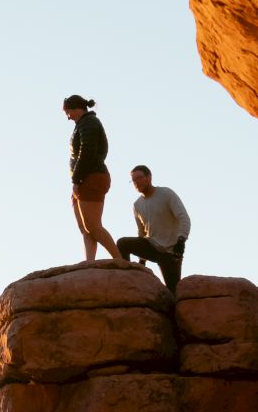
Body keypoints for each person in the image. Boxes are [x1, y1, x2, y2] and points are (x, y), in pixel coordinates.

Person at [62, 94, 123, 264]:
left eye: (67, 112)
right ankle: (90, 263)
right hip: (84, 178)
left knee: (93, 226)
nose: (67, 117)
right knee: (85, 228)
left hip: (91, 177)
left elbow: (88, 151)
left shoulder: (89, 122)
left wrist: (77, 178)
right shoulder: (83, 124)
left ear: (74, 108)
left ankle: (119, 260)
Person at [118, 163, 190, 291]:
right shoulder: (137, 205)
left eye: (139, 178)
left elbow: (184, 218)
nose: (136, 182)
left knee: (173, 291)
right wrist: (142, 261)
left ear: (149, 177)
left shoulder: (166, 194)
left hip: (171, 252)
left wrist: (181, 240)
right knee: (122, 243)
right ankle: (128, 278)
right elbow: (141, 233)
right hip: (151, 246)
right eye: (133, 180)